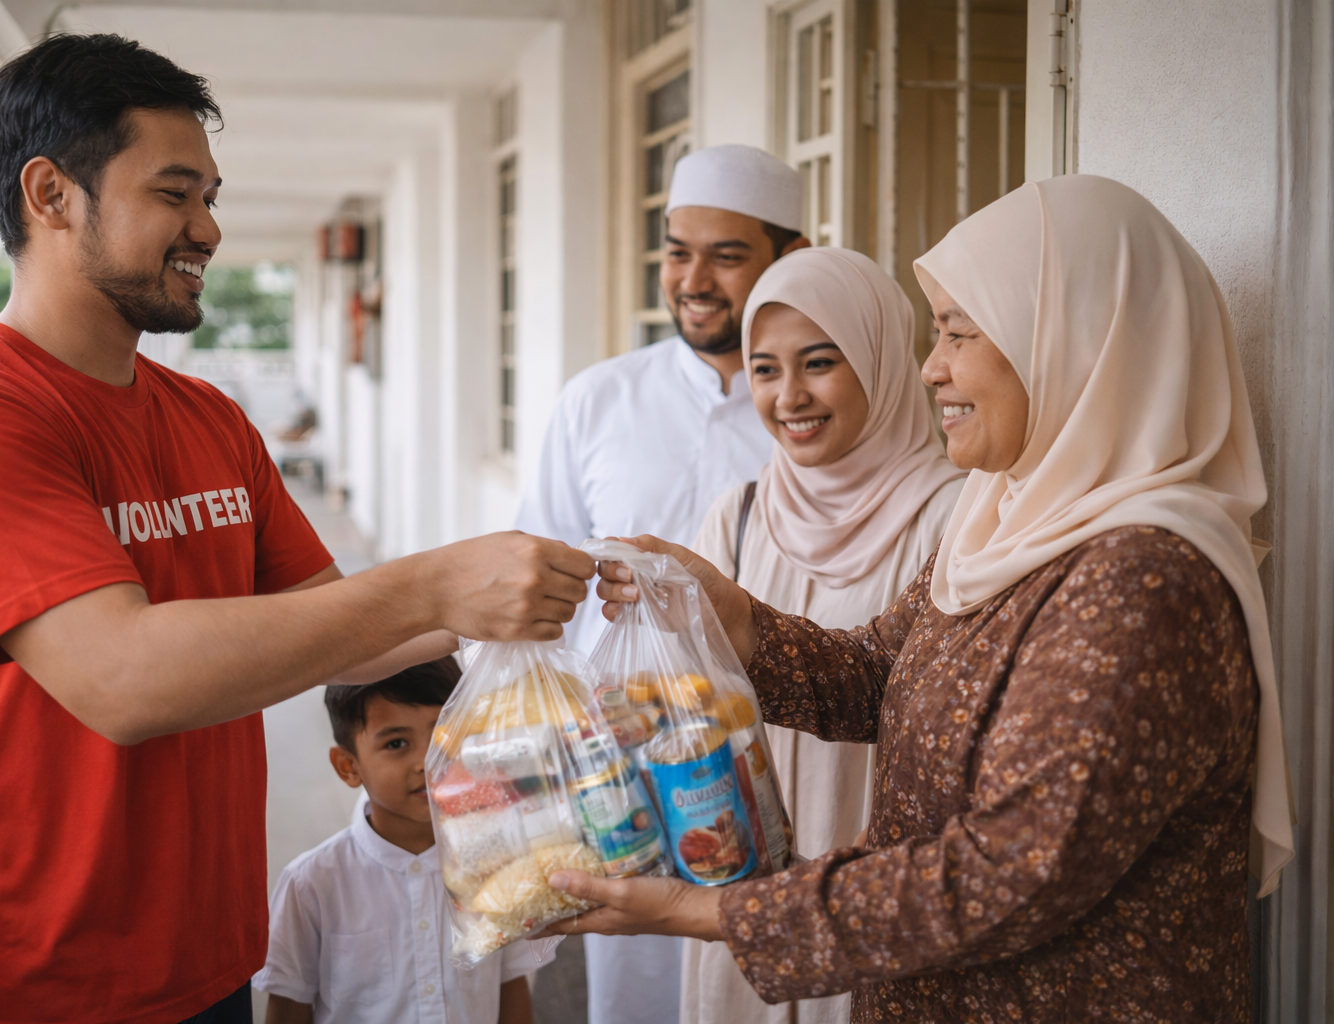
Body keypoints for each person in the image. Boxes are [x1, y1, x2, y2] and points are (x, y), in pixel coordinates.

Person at [0, 35, 594, 1024]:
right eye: (174, 194)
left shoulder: (206, 421)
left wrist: (565, 595)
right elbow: (122, 678)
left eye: (210, 195)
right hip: (29, 983)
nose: (208, 229)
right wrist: (435, 583)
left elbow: (345, 624)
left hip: (211, 958)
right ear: (50, 195)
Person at [547, 174, 1296, 1022]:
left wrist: (715, 912)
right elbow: (882, 672)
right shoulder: (1004, 514)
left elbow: (1010, 869)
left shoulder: (1144, 580)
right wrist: (739, 620)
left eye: (959, 334)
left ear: (1072, 341)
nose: (931, 367)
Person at [514, 143, 805, 1024]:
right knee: (634, 991)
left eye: (726, 255)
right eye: (679, 251)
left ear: (787, 260)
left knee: (763, 981)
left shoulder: (813, 406)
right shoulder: (598, 400)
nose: (694, 279)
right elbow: (536, 579)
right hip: (620, 764)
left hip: (778, 754)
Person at [680, 247, 964, 1024]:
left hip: (884, 878)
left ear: (879, 358)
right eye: (764, 370)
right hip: (748, 869)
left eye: (819, 362)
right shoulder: (736, 519)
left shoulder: (956, 518)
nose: (789, 396)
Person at [254, 658, 550, 1024]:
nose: (428, 762)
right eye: (397, 743)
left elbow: (512, 987)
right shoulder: (311, 885)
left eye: (445, 735)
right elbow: (288, 1008)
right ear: (349, 766)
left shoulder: (499, 864)